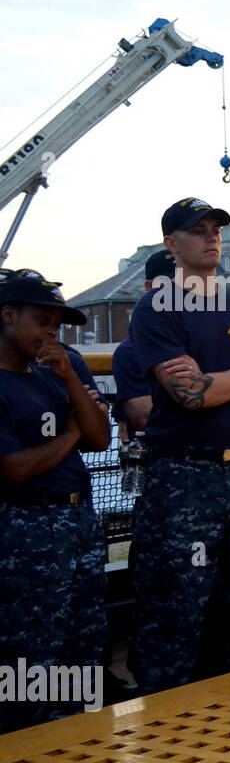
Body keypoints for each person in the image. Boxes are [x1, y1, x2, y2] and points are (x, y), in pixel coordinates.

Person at [126, 197, 230, 693]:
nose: (211, 236)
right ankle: (164, 727)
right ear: (171, 244)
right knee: (178, 605)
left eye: (215, 227)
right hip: (184, 479)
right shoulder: (155, 309)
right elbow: (188, 396)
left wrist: (226, 382)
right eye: (197, 230)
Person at [0, 271, 110, 731]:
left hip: (78, 518)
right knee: (30, 656)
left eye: (58, 325)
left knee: (82, 645)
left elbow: (101, 437)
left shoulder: (55, 371)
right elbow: (15, 468)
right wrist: (70, 433)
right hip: (26, 527)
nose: (52, 333)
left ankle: (77, 742)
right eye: (42, 321)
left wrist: (67, 376)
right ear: (7, 316)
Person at [113, 249, 175, 442]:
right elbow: (145, 417)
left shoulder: (207, 335)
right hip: (161, 457)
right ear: (149, 286)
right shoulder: (130, 351)